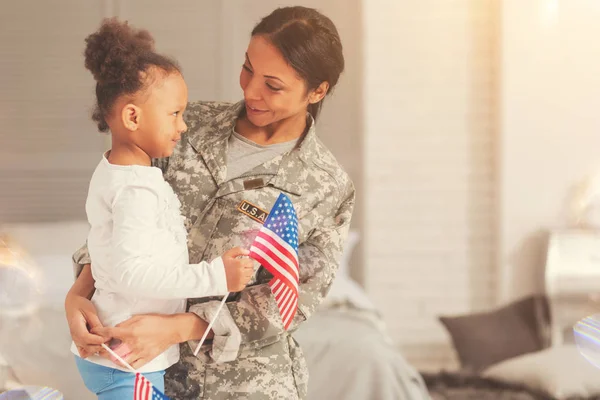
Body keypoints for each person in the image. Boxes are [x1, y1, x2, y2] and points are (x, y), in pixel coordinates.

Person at [65, 6, 355, 399]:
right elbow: (121, 212)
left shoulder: (326, 186)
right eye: (248, 68)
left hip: (245, 385)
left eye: (273, 85)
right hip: (144, 370)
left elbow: (289, 303)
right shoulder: (183, 125)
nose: (250, 90)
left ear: (317, 91)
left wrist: (182, 326)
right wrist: (79, 294)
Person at [70, 18, 254, 399]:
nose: (183, 126)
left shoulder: (126, 173)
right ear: (132, 117)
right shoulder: (136, 188)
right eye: (174, 114)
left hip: (124, 355)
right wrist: (215, 276)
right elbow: (134, 274)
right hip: (124, 358)